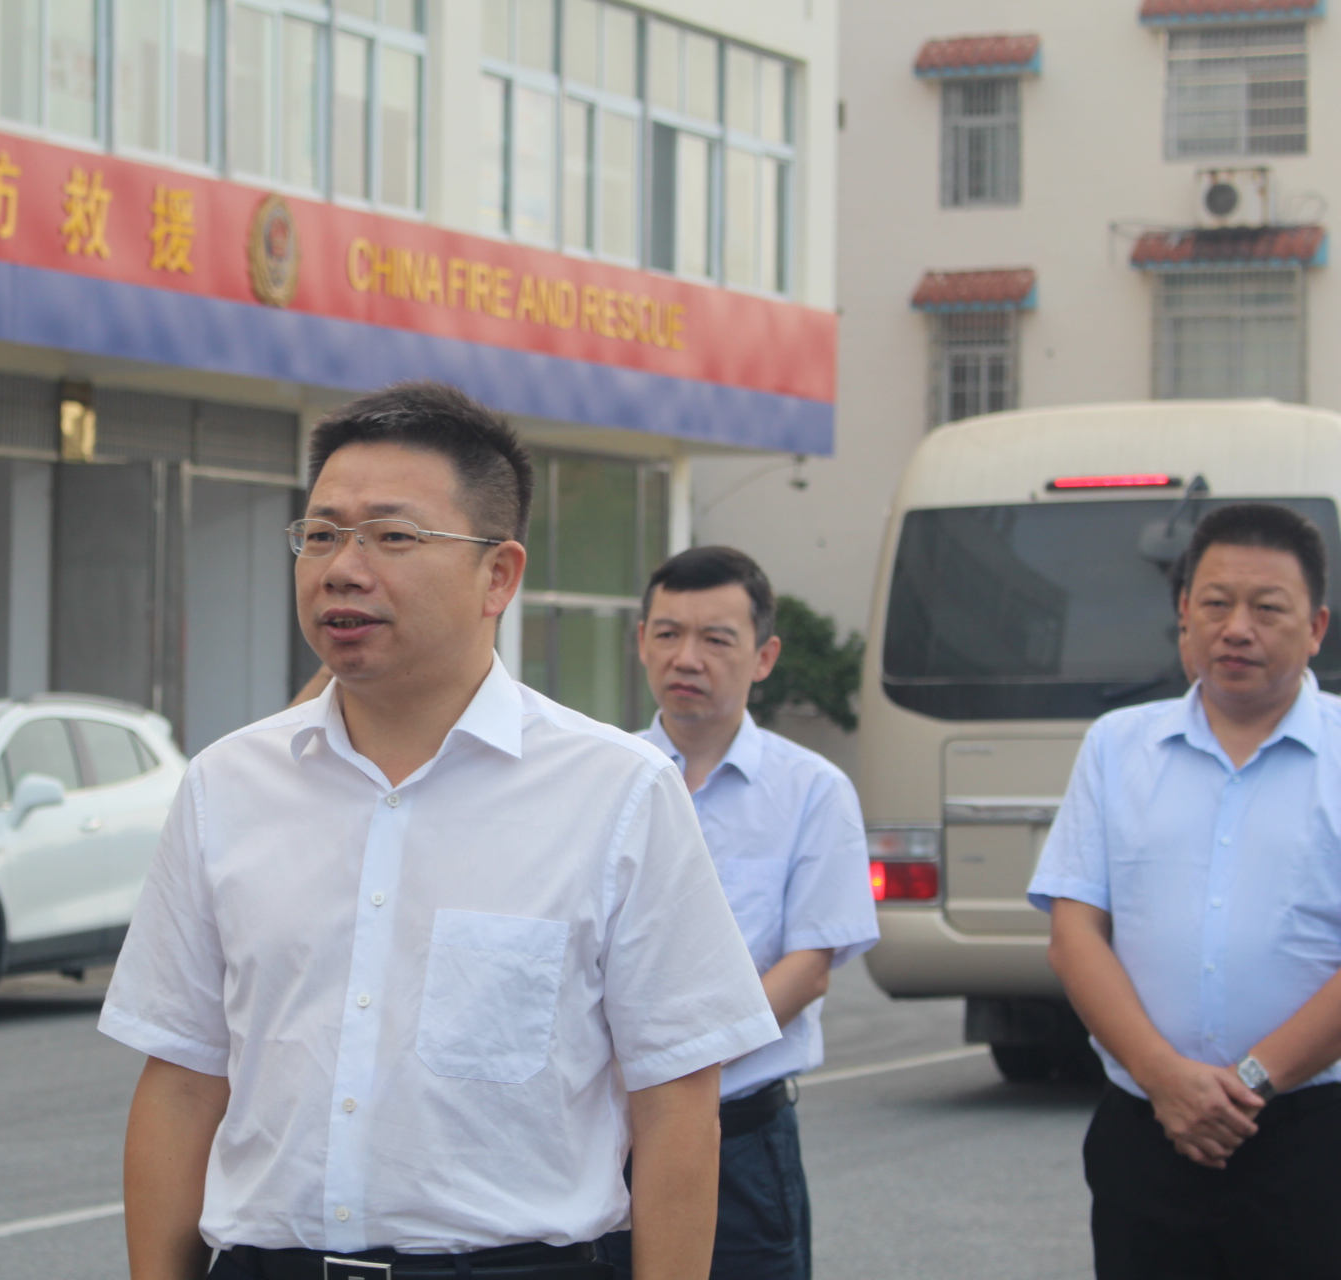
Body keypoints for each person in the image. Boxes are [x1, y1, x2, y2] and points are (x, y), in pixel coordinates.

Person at [102, 381, 778, 1280]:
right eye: (321, 534)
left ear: (499, 575)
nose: (343, 568)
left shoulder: (617, 793)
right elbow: (183, 1085)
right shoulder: (227, 785)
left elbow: (678, 1108)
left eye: (393, 537)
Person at [1030, 502, 1341, 1279]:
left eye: (1267, 608)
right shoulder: (1117, 747)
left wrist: (1248, 1082)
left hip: (1314, 1137)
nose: (1237, 629)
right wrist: (1163, 1078)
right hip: (1147, 1131)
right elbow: (1075, 935)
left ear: (1316, 628)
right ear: (1183, 615)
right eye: (1216, 603)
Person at [599, 547, 877, 1280]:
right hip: (604, 1137)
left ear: (764, 656)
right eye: (667, 633)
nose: (686, 657)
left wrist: (672, 1064)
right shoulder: (600, 778)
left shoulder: (813, 790)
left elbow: (808, 969)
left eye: (716, 638)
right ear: (641, 642)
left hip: (741, 1136)